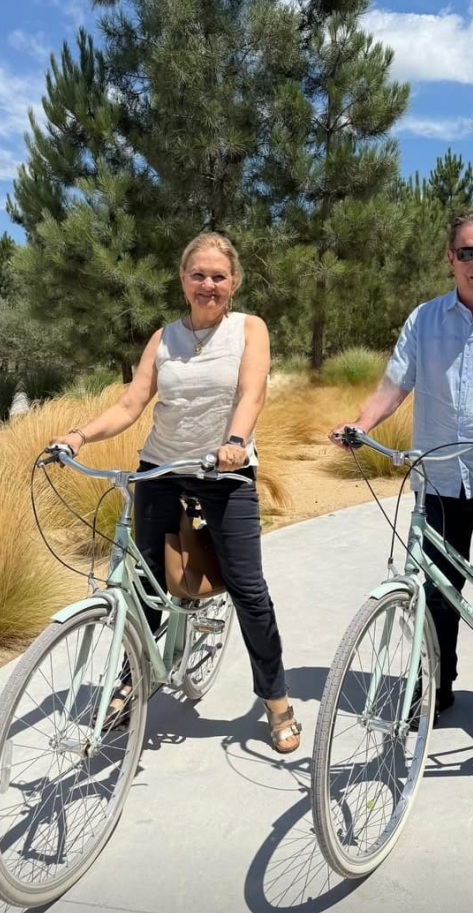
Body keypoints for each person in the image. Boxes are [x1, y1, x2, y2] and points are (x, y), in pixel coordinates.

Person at [53, 232, 301, 754]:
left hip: (223, 469)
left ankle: (276, 700)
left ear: (233, 283)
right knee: (145, 584)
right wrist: (78, 435)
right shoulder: (163, 337)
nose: (207, 284)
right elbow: (131, 404)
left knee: (247, 588)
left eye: (218, 276)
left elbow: (251, 390)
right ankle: (132, 681)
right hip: (161, 466)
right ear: (183, 280)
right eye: (198, 275)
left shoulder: (248, 329)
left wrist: (235, 441)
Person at [330, 206, 473, 731]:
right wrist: (360, 424)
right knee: (435, 590)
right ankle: (435, 686)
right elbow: (394, 384)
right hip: (439, 478)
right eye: (467, 252)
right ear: (449, 259)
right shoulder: (424, 318)